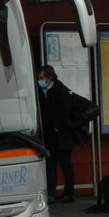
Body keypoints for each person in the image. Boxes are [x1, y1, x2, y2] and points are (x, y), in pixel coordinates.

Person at [36, 65, 75, 203]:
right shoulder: (41, 91)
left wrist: (57, 126)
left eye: (42, 78)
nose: (39, 81)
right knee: (50, 165)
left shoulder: (60, 90)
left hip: (61, 134)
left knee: (65, 165)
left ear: (50, 77)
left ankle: (69, 193)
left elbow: (66, 110)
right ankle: (51, 193)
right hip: (48, 135)